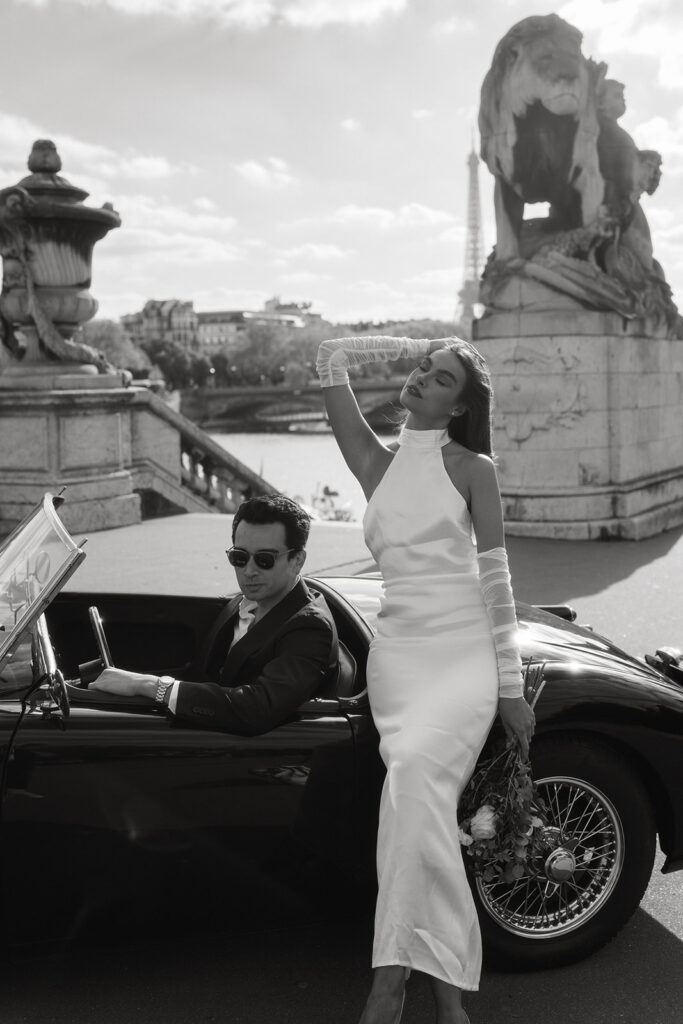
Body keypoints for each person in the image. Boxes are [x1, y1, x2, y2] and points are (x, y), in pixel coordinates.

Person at [316, 336, 535, 1024]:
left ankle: (388, 985)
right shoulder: (374, 463)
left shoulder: (473, 468)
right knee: (419, 809)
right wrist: (407, 340)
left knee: (411, 783)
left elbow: (495, 578)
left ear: (461, 404)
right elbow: (326, 359)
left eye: (439, 378)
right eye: (419, 369)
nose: (419, 379)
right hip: (400, 656)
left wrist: (506, 686)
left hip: (463, 654)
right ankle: (447, 995)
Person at [89, 494, 339, 734]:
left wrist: (150, 686)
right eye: (239, 557)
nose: (249, 570)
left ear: (297, 560)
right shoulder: (248, 601)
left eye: (265, 559)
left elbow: (258, 708)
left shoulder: (309, 628)